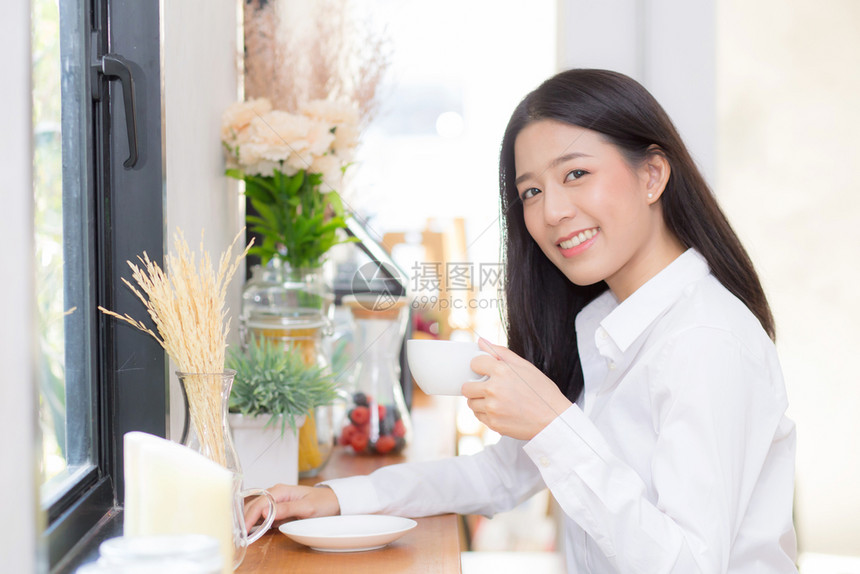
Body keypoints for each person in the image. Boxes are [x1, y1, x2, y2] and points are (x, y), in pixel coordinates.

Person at [245, 69, 798, 573]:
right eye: (531, 191)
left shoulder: (704, 341)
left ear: (652, 175)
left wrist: (554, 425)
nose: (551, 211)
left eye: (576, 174)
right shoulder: (609, 324)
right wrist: (339, 498)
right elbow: (502, 473)